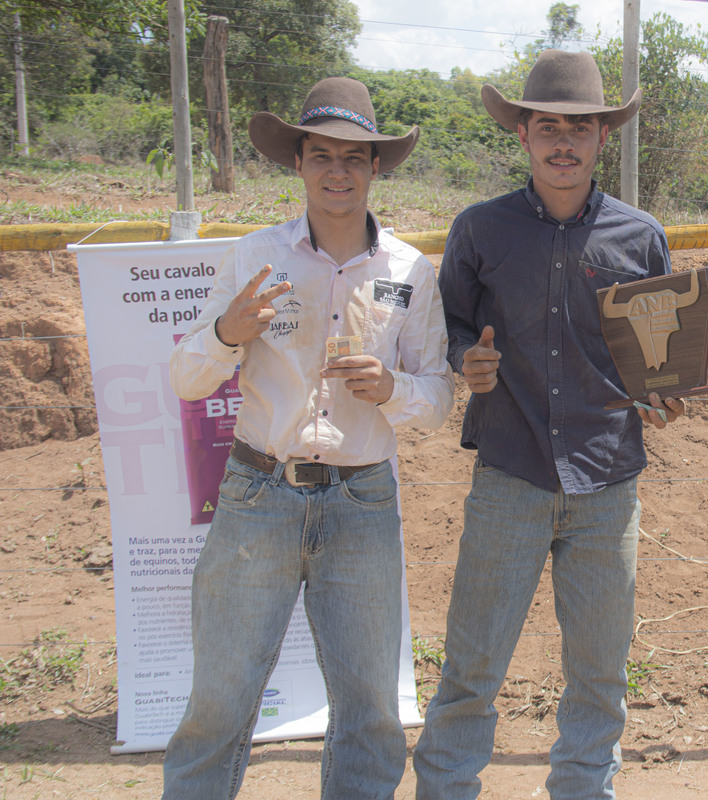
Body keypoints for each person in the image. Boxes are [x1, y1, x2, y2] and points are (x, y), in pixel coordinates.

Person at [163, 77, 454, 799]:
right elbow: (186, 378)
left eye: (355, 158)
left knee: (369, 710)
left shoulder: (409, 271)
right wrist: (230, 332)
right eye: (321, 154)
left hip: (361, 502)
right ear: (298, 163)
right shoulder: (257, 258)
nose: (337, 171)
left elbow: (441, 397)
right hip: (258, 494)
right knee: (220, 702)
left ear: (376, 169)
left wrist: (391, 390)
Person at [411, 49, 684, 800]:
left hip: (608, 483)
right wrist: (469, 359)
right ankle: (445, 789)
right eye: (548, 126)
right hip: (510, 473)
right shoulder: (479, 231)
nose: (564, 141)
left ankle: (584, 789)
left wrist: (662, 395)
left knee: (599, 674)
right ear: (524, 136)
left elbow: (657, 355)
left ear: (603, 138)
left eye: (581, 127)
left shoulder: (641, 237)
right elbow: (453, 330)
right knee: (472, 666)